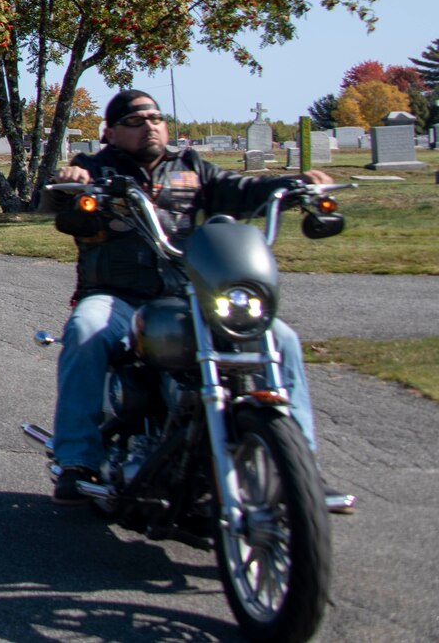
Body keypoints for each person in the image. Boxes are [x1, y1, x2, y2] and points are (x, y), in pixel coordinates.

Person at [44, 88, 330, 506]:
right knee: (86, 331)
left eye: (156, 118)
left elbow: (242, 189)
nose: (149, 126)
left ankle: (299, 468)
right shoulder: (96, 167)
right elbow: (60, 204)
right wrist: (73, 186)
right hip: (117, 295)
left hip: (190, 296)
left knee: (280, 338)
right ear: (110, 132)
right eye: (135, 121)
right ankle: (76, 459)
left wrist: (295, 185)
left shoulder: (192, 166)